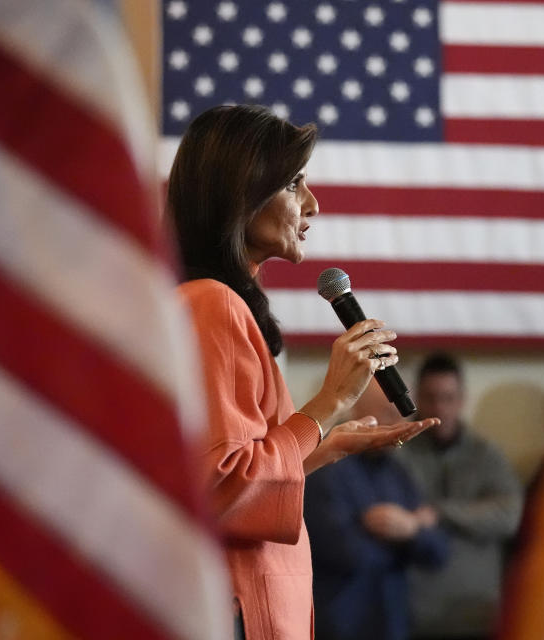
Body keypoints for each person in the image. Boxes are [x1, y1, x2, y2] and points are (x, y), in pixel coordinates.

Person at [166, 104, 439, 640]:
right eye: (294, 184)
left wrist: (328, 444)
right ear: (241, 193)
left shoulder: (219, 303)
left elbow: (246, 475)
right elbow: (223, 487)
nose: (313, 204)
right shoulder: (212, 304)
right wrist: (327, 403)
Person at [304, 381, 449, 640]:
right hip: (340, 624)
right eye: (386, 413)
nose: (396, 424)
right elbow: (346, 553)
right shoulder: (326, 465)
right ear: (358, 410)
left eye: (400, 415)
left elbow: (438, 551)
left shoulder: (399, 471)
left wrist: (410, 529)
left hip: (393, 623)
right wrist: (407, 537)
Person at [395, 353, 524, 640]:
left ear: (462, 399)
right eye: (430, 397)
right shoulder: (397, 453)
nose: (440, 408)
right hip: (413, 616)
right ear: (416, 397)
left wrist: (441, 512)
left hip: (477, 616)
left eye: (448, 398)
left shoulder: (486, 455)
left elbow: (509, 516)